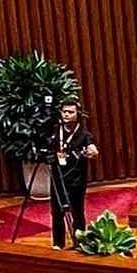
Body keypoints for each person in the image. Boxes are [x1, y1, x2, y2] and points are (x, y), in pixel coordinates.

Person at [42, 97, 98, 248]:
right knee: (57, 211)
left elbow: (92, 148)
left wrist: (92, 151)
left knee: (77, 210)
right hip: (58, 177)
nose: (66, 115)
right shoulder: (54, 131)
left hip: (76, 178)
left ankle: (80, 242)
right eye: (64, 112)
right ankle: (58, 244)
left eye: (70, 112)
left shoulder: (83, 133)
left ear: (77, 113)